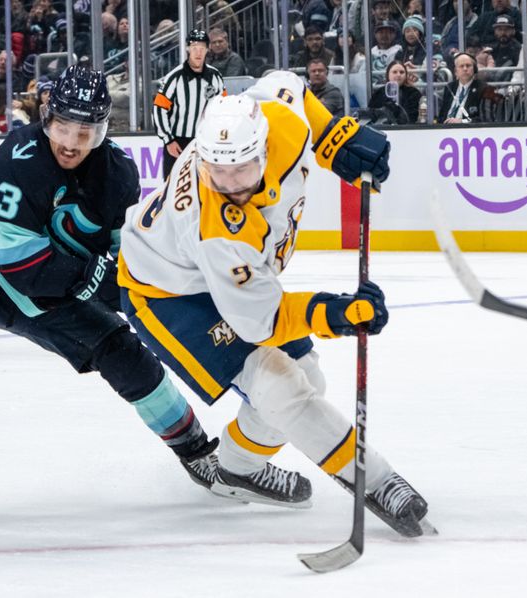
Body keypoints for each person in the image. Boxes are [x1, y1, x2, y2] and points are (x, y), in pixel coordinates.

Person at [118, 71, 431, 537]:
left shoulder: (278, 120)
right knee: (279, 385)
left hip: (215, 276)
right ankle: (376, 479)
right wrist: (336, 313)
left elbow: (290, 85)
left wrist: (333, 137)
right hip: (167, 292)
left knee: (310, 377)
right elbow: (263, 322)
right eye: (215, 170)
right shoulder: (216, 229)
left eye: (241, 168)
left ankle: (237, 467)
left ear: (263, 147)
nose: (228, 183)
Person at [0, 66, 224, 498]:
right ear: (47, 116)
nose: (71, 142)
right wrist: (102, 284)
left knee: (125, 354)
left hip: (56, 287)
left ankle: (197, 452)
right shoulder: (18, 157)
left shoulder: (118, 175)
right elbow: (22, 265)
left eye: (85, 131)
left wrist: (157, 290)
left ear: (103, 130)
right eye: (62, 125)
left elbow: (125, 254)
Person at [153, 29, 225, 179]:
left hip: (205, 142)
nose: (198, 52)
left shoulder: (215, 77)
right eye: (194, 48)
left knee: (205, 189)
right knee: (173, 187)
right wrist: (168, 140)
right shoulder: (174, 77)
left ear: (207, 49)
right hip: (178, 142)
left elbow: (223, 107)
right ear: (187, 49)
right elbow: (159, 108)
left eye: (202, 48)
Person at [437, 52, 487, 123]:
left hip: (467, 130)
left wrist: (462, 121)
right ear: (455, 71)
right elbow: (442, 115)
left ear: (474, 69)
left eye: (468, 65)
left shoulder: (483, 88)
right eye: (461, 66)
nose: (465, 69)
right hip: (445, 129)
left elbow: (485, 119)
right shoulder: (450, 87)